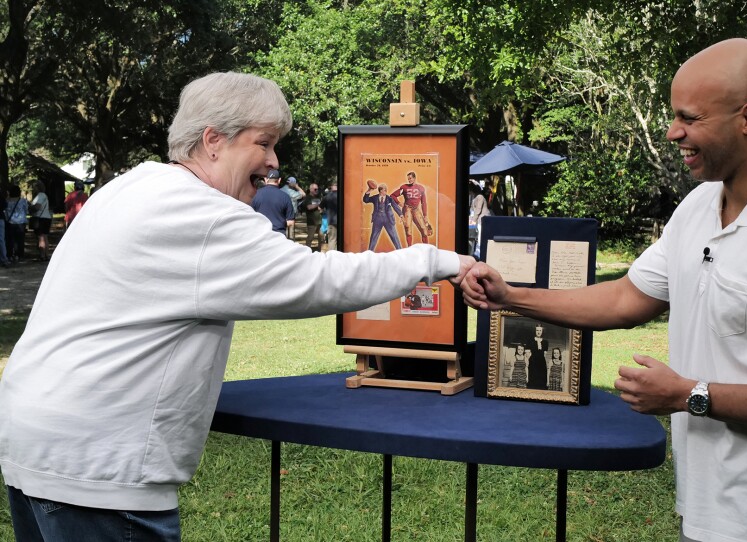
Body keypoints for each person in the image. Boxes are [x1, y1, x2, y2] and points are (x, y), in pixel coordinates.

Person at [0, 71, 474, 542]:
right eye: (264, 143)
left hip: (38, 442)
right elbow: (317, 279)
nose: (274, 161)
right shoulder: (200, 213)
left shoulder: (134, 186)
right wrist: (439, 259)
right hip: (99, 468)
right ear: (212, 141)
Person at [461, 38, 747, 542]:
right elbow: (624, 298)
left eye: (690, 118)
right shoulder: (699, 207)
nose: (673, 131)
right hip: (705, 505)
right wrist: (513, 297)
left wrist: (688, 396)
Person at [391, 170, 433, 246]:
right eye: (408, 179)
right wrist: (399, 202)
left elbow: (423, 202)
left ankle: (426, 248)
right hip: (407, 209)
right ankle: (409, 248)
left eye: (410, 178)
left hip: (416, 209)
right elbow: (393, 195)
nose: (409, 180)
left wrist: (425, 215)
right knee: (408, 230)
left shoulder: (421, 188)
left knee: (424, 229)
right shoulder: (404, 187)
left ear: (414, 178)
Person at [250, 168, 295, 235]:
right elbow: (291, 222)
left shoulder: (255, 195)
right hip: (278, 235)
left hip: (260, 235)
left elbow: (250, 216)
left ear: (265, 179)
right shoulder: (285, 197)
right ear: (279, 180)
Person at [363, 181, 403, 251]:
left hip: (388, 220)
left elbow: (395, 206)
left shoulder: (389, 198)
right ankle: (370, 252)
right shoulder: (375, 198)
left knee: (394, 236)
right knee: (373, 237)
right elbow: (366, 200)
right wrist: (369, 190)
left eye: (386, 190)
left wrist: (401, 215)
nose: (386, 192)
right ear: (380, 190)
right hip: (377, 219)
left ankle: (400, 251)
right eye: (384, 190)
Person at [29, 180, 52, 261]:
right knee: (45, 237)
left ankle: (42, 255)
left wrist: (30, 207)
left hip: (41, 219)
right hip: (46, 217)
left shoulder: (40, 195)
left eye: (34, 186)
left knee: (41, 238)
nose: (33, 188)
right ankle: (46, 255)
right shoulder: (44, 195)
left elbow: (37, 207)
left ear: (38, 187)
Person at [5, 185, 27, 263]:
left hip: (10, 222)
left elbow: (6, 212)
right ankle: (19, 255)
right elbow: (26, 210)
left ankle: (10, 255)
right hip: (21, 222)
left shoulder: (7, 201)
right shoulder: (23, 201)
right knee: (20, 240)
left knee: (11, 240)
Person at [469, 181, 490, 258]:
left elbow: (478, 210)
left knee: (480, 237)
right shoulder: (474, 198)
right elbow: (472, 210)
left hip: (482, 220)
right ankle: (477, 253)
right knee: (477, 237)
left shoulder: (480, 197)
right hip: (478, 220)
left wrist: (473, 220)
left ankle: (480, 254)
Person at [525, 323, 548, 390]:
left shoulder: (545, 342)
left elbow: (544, 355)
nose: (538, 332)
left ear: (542, 331)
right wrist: (532, 362)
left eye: (540, 330)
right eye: (537, 330)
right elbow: (527, 355)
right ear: (535, 331)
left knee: (541, 381)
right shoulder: (530, 341)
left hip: (542, 364)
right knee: (533, 381)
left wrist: (540, 362)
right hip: (533, 363)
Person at [302, 182, 323, 251]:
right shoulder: (308, 198)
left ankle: (320, 250)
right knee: (310, 237)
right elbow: (309, 207)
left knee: (321, 237)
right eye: (315, 189)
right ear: (311, 189)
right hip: (312, 222)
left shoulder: (318, 197)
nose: (317, 191)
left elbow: (320, 208)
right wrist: (318, 205)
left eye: (317, 189)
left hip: (319, 221)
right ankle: (307, 250)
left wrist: (321, 209)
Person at [321, 182, 338, 251]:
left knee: (332, 240)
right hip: (344, 222)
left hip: (331, 221)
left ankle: (332, 256)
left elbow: (320, 208)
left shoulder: (326, 197)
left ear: (331, 187)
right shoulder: (344, 195)